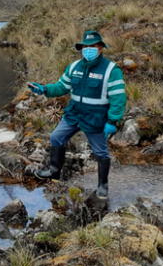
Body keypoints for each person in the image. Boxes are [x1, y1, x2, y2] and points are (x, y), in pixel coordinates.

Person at [28, 30, 126, 199]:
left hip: (95, 118)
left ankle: (103, 185)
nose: (89, 49)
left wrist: (112, 121)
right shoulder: (74, 67)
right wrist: (44, 89)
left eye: (93, 46)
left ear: (101, 48)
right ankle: (54, 170)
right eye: (85, 46)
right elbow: (61, 87)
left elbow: (119, 98)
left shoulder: (111, 70)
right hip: (74, 114)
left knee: (101, 153)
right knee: (56, 137)